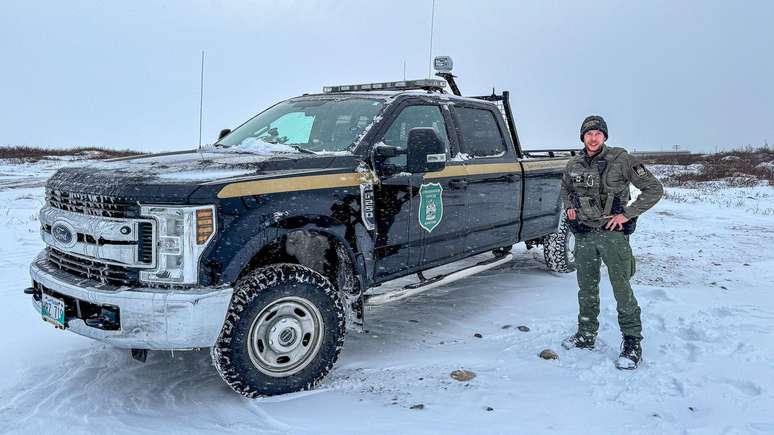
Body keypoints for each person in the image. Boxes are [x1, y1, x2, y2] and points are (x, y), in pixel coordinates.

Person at [560, 115, 664, 369]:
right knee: (586, 288)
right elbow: (566, 189)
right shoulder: (573, 164)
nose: (593, 138)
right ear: (582, 137)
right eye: (588, 134)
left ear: (604, 136)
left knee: (621, 289)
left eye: (597, 133)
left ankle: (631, 342)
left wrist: (627, 214)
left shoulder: (622, 159)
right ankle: (586, 334)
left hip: (612, 234)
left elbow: (654, 189)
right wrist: (570, 208)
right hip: (584, 234)